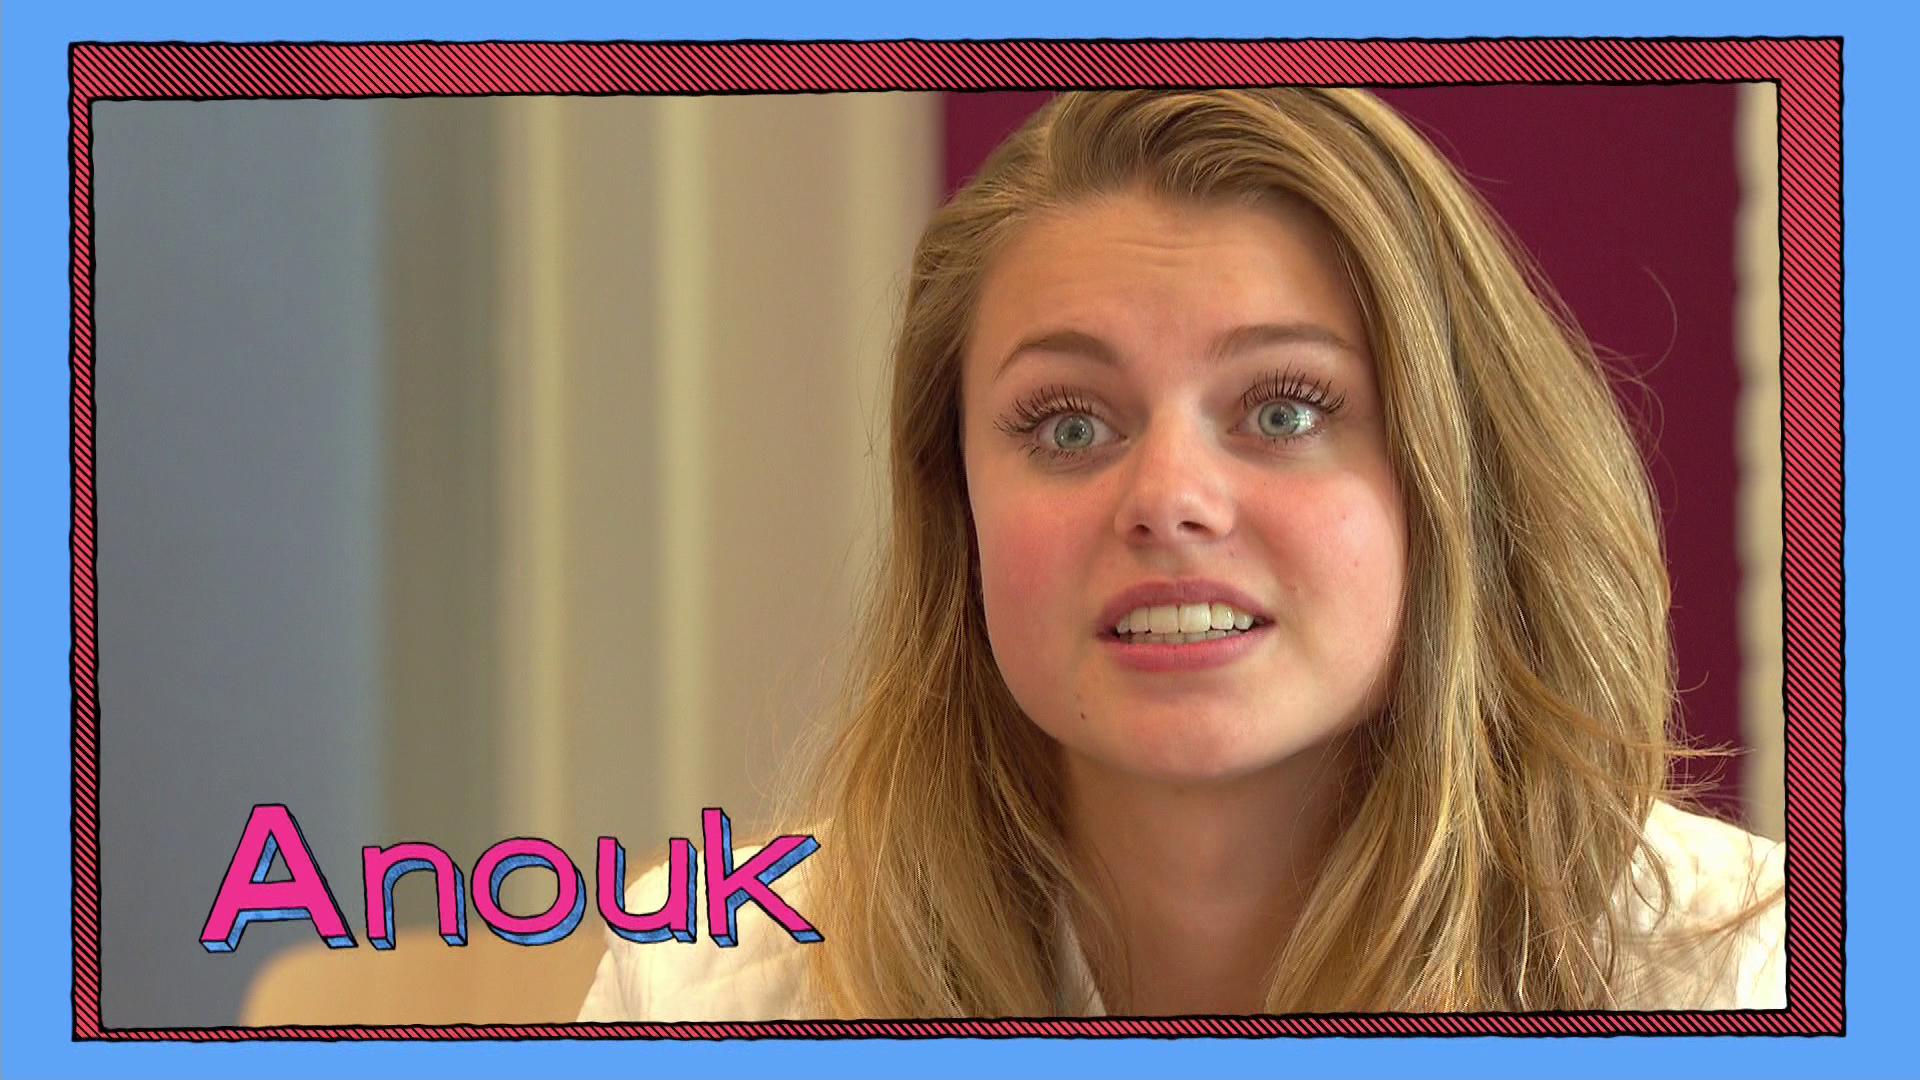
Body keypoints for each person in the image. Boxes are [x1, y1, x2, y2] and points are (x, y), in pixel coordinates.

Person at [576, 87, 1786, 1021]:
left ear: (1453, 480)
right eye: (1069, 425)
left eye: (1285, 410)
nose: (1167, 501)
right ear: (957, 508)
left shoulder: (1753, 972)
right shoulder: (703, 993)